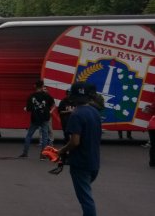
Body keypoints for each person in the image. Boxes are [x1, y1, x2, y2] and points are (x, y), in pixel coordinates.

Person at [58, 82, 102, 216]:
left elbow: (75, 141)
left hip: (80, 162)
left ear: (73, 97)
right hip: (94, 161)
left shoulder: (76, 115)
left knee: (85, 199)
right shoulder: (95, 112)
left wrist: (61, 151)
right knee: (86, 193)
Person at [19, 80, 54, 159]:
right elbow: (53, 104)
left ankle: (25, 153)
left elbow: (28, 108)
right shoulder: (47, 95)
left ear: (35, 86)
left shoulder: (31, 96)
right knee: (45, 136)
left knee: (29, 135)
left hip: (35, 118)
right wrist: (47, 109)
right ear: (42, 86)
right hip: (45, 118)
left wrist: (29, 108)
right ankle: (43, 155)